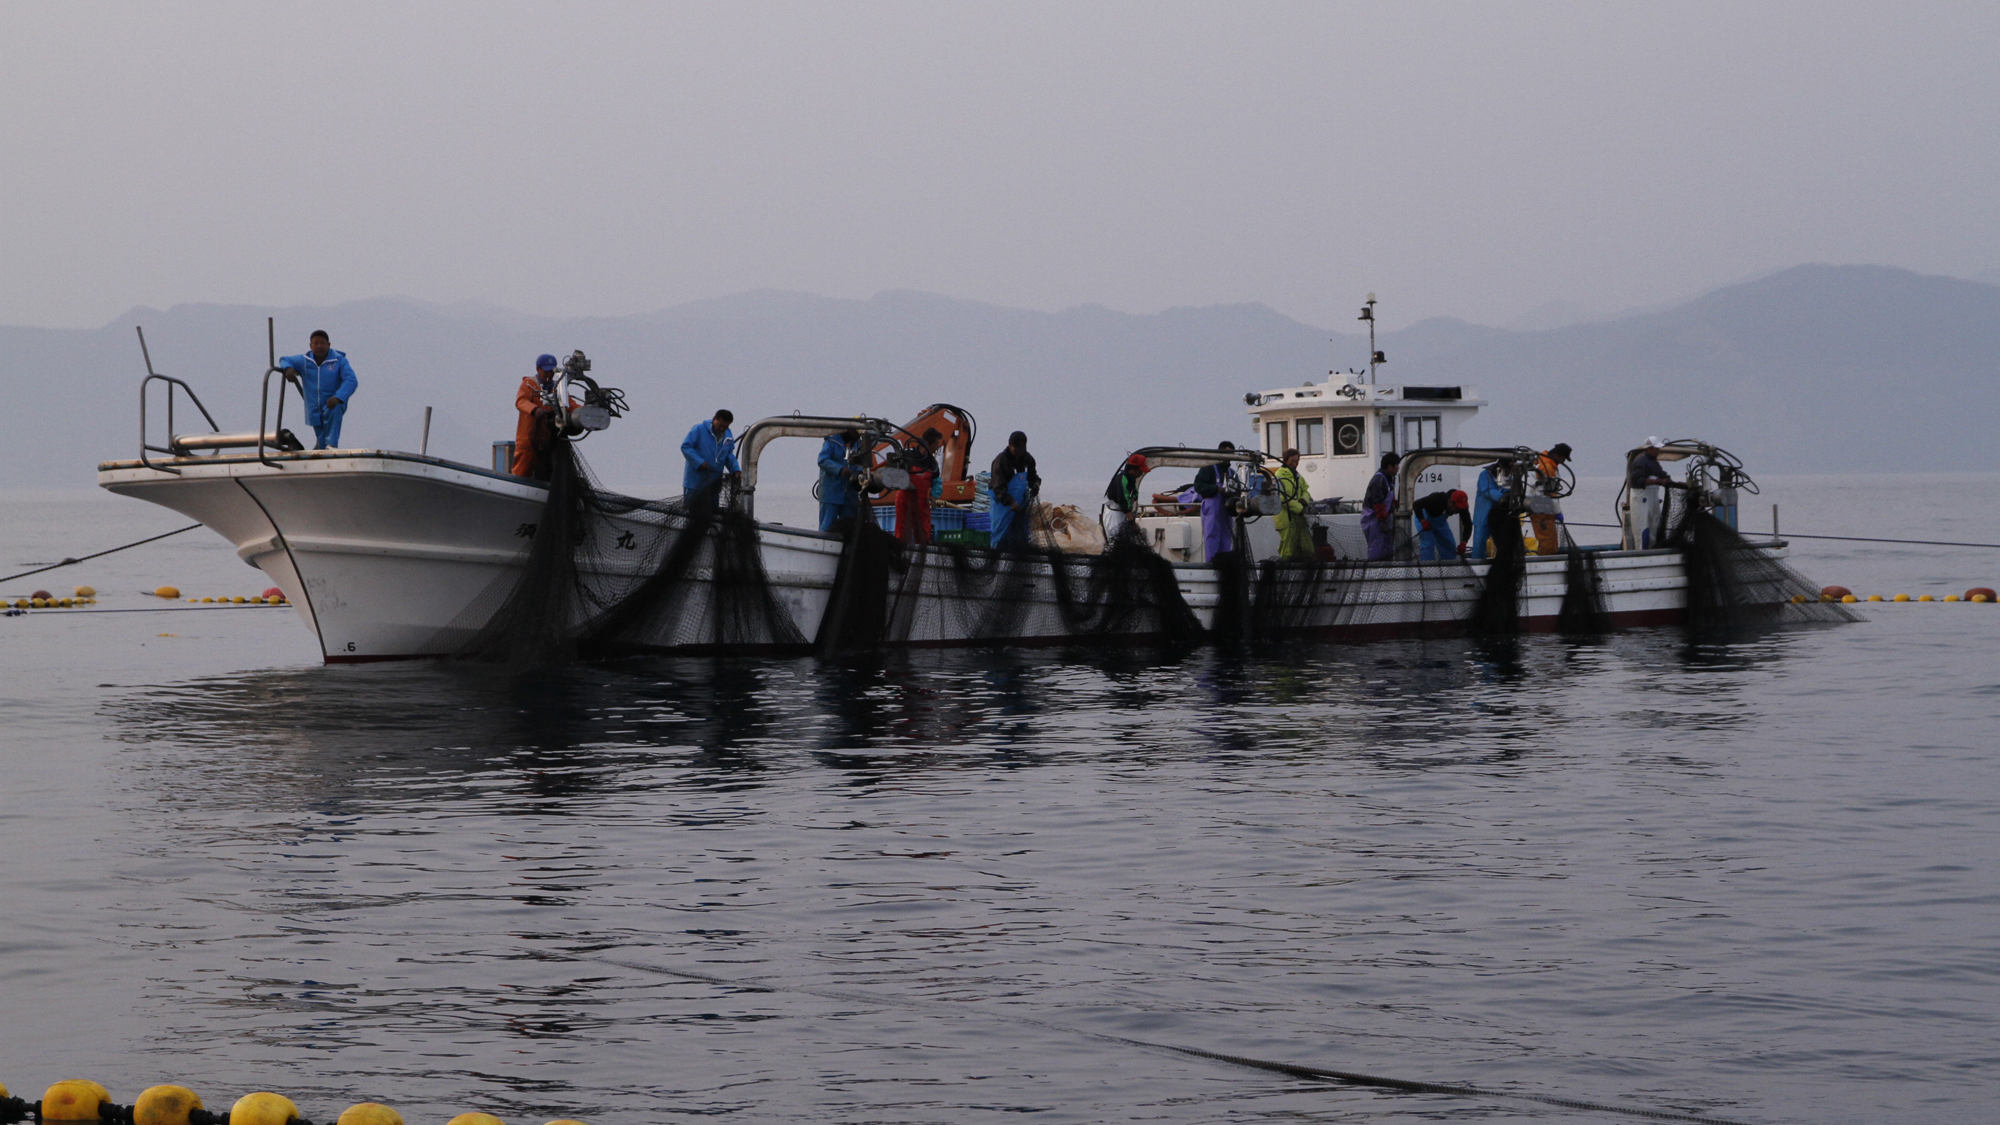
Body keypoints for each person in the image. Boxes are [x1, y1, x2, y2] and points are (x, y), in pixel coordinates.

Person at [277, 329, 358, 449]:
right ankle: (322, 449)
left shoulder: (339, 361)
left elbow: (351, 380)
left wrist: (338, 397)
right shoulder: (304, 361)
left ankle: (332, 445)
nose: (319, 346)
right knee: (321, 436)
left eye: (322, 343)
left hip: (333, 403)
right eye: (316, 343)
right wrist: (288, 368)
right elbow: (284, 359)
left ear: (328, 345)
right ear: (310, 345)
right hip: (314, 407)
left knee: (333, 416)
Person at [510, 353, 569, 479]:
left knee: (550, 472)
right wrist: (535, 410)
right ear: (538, 369)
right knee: (521, 471)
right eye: (546, 371)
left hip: (549, 442)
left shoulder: (558, 388)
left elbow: (569, 404)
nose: (549, 375)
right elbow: (521, 401)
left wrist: (583, 412)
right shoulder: (528, 384)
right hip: (528, 440)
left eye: (551, 371)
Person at [988, 430, 1041, 550]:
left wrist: (1036, 484)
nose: (1019, 453)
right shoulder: (1001, 461)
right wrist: (1010, 502)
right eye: (1016, 449)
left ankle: (1017, 557)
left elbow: (1033, 477)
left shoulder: (1028, 459)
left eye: (1022, 449)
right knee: (1000, 533)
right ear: (1010, 445)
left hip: (1020, 503)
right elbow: (998, 487)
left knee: (1020, 533)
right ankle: (996, 557)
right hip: (1002, 504)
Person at [681, 409, 742, 505]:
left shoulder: (728, 436)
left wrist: (735, 469)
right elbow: (686, 447)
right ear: (714, 419)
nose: (722, 429)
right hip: (695, 483)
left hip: (714, 484)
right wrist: (699, 462)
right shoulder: (699, 429)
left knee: (712, 513)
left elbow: (729, 455)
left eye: (725, 427)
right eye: (720, 425)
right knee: (693, 513)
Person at [1192, 441, 1240, 560]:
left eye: (1232, 455)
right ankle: (1211, 563)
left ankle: (1224, 563)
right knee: (1211, 535)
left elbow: (1239, 489)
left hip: (1227, 509)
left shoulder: (1232, 473)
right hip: (1212, 508)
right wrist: (1216, 489)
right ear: (1220, 453)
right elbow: (1198, 486)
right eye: (1228, 454)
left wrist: (1235, 493)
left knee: (1226, 536)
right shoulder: (1208, 469)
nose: (1229, 458)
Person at [1627, 436, 1675, 548]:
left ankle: (1652, 549)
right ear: (1649, 448)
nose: (1658, 451)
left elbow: (1661, 473)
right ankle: (1642, 553)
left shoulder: (1653, 462)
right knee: (1643, 529)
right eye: (1656, 449)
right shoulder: (1640, 461)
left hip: (1652, 498)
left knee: (1654, 527)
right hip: (1641, 498)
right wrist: (1659, 481)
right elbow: (1640, 480)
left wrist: (1669, 480)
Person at [896, 428, 942, 544]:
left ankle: (922, 554)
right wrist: (905, 483)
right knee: (902, 529)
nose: (937, 447)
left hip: (922, 502)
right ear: (927, 443)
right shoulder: (908, 456)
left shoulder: (932, 462)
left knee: (922, 531)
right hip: (905, 500)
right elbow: (895, 475)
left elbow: (936, 481)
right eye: (936, 444)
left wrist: (934, 495)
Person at [1527, 442, 1572, 555]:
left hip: (1539, 506)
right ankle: (1544, 564)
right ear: (1557, 455)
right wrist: (1557, 511)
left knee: (1549, 539)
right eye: (1563, 458)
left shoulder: (1541, 461)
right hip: (1541, 508)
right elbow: (1547, 493)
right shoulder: (1547, 467)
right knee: (1548, 541)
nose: (1563, 462)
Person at [817, 427, 865, 532]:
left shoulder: (859, 445)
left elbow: (864, 464)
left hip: (850, 496)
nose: (859, 436)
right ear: (850, 430)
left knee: (850, 528)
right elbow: (822, 460)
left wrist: (858, 472)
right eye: (858, 433)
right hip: (831, 494)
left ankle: (846, 548)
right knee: (827, 526)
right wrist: (840, 469)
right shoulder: (832, 441)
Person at [1272, 448, 1314, 561]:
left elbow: (1305, 490)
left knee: (1306, 547)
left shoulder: (1298, 476)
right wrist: (1299, 508)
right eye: (1292, 461)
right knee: (1288, 550)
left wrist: (1304, 500)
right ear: (1285, 460)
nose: (1295, 464)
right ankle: (1285, 572)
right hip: (1285, 519)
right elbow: (1281, 497)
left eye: (1297, 461)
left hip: (1298, 518)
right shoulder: (1279, 476)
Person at [1469, 457, 1514, 561]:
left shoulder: (1505, 477)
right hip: (1483, 515)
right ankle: (1477, 564)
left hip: (1500, 516)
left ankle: (1503, 562)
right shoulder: (1485, 475)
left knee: (1503, 541)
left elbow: (1508, 490)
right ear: (1501, 468)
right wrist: (1503, 498)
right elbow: (1487, 490)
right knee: (1479, 541)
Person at [1410, 489, 1471, 561]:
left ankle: (1449, 569)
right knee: (1428, 544)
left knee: (1449, 545)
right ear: (1451, 503)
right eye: (1457, 508)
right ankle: (1427, 568)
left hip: (1440, 522)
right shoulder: (1436, 499)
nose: (1459, 511)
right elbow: (1416, 504)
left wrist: (1464, 542)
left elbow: (1468, 524)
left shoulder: (1462, 507)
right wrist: (1422, 521)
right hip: (1425, 519)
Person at [1360, 451, 1400, 561]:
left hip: (1381, 518)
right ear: (1390, 467)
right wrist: (1384, 521)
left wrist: (1393, 504)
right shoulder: (1380, 479)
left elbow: (1387, 496)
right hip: (1374, 520)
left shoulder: (1388, 478)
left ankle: (1386, 571)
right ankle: (1374, 573)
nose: (1398, 468)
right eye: (1397, 465)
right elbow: (1378, 503)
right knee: (1376, 549)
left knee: (1386, 549)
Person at [1103, 453, 1150, 538]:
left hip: (1123, 513)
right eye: (1141, 471)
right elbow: (1123, 502)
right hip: (1114, 513)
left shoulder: (1131, 479)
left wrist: (1132, 501)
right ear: (1132, 469)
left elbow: (1135, 493)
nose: (1142, 473)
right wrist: (1132, 523)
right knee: (1115, 538)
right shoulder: (1122, 480)